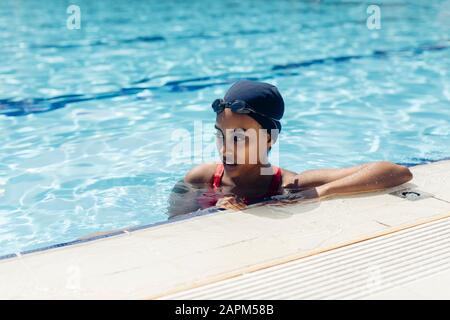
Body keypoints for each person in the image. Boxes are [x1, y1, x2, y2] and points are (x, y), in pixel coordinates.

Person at [168, 80, 412, 216]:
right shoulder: (200, 178)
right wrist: (211, 214)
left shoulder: (288, 184)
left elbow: (396, 172)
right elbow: (172, 226)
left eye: (239, 138)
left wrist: (321, 191)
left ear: (269, 139)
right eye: (220, 136)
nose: (225, 150)